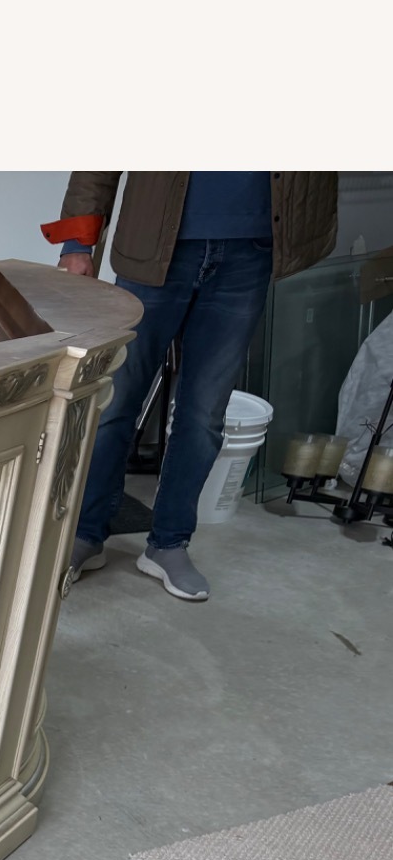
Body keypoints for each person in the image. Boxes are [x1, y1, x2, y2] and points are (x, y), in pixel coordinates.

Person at [45, 172, 337, 601]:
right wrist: (77, 244)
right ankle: (86, 534)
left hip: (250, 251)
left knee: (204, 413)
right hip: (154, 247)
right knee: (117, 402)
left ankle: (168, 543)